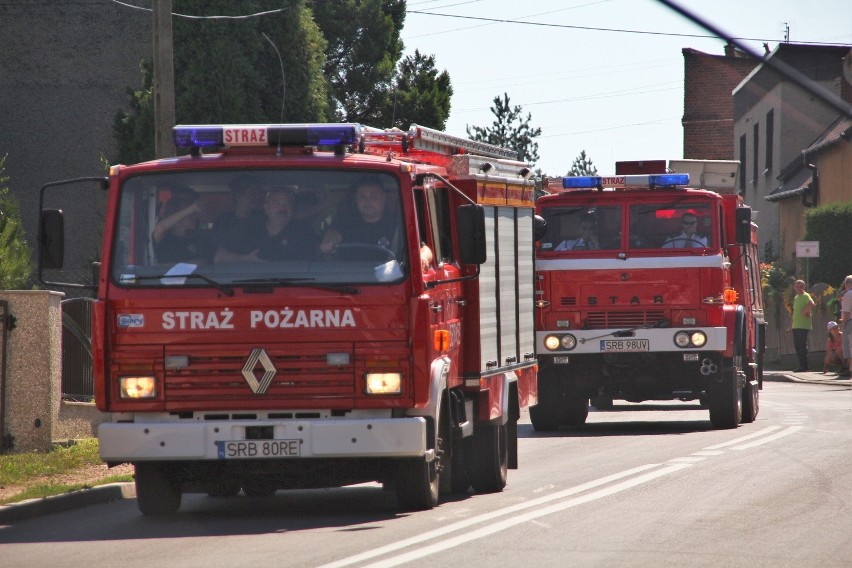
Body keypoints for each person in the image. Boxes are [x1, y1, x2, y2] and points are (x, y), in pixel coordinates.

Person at [215, 186, 317, 262]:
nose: (282, 207)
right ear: (266, 207)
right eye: (276, 203)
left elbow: (315, 263)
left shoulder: (303, 231)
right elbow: (219, 256)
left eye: (287, 203)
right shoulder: (247, 228)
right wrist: (245, 258)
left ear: (293, 208)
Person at [319, 177, 399, 255]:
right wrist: (329, 243)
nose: (367, 201)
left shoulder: (396, 222)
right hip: (347, 268)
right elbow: (333, 234)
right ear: (356, 199)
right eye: (362, 196)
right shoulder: (346, 220)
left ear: (383, 197)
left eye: (373, 196)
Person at [151, 191, 215, 265]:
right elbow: (161, 227)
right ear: (177, 218)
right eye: (189, 215)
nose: (193, 218)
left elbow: (206, 261)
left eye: (193, 214)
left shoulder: (198, 239)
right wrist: (192, 208)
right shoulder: (164, 239)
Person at [211, 175, 264, 255]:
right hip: (230, 266)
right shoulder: (223, 220)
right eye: (251, 192)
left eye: (258, 192)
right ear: (238, 195)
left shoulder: (262, 218)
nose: (255, 196)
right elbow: (219, 251)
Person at [789, 279, 815, 372]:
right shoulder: (796, 297)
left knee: (802, 345)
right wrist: (790, 326)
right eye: (796, 287)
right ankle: (801, 365)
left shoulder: (805, 295)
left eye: (799, 287)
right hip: (796, 325)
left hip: (803, 325)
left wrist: (806, 311)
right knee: (797, 346)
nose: (797, 288)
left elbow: (812, 303)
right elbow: (795, 312)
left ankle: (805, 366)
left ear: (803, 287)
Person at [839, 275, 852, 377]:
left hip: (850, 322)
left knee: (848, 344)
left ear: (847, 284)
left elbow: (847, 311)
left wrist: (844, 320)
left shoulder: (849, 294)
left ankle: (850, 369)